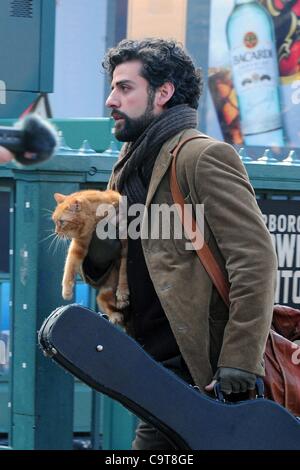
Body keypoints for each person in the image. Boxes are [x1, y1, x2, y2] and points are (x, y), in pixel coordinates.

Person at [81, 38, 278, 449]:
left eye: (124, 87)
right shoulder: (128, 167)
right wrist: (100, 235)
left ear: (164, 91)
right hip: (155, 374)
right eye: (113, 87)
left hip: (204, 378)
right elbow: (101, 272)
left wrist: (239, 361)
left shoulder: (201, 157)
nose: (110, 100)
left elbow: (255, 261)